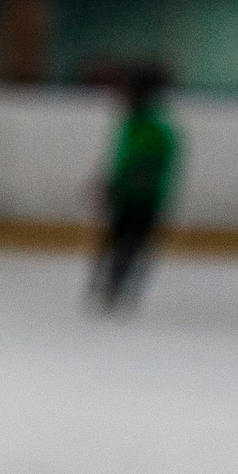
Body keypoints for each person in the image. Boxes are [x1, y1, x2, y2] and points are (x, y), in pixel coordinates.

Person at [91, 61, 181, 312]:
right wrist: (112, 183)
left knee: (131, 245)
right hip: (128, 198)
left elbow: (146, 164)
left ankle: (117, 287)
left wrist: (124, 182)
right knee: (118, 243)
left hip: (144, 200)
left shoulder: (153, 130)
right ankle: (112, 286)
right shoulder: (132, 127)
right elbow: (123, 160)